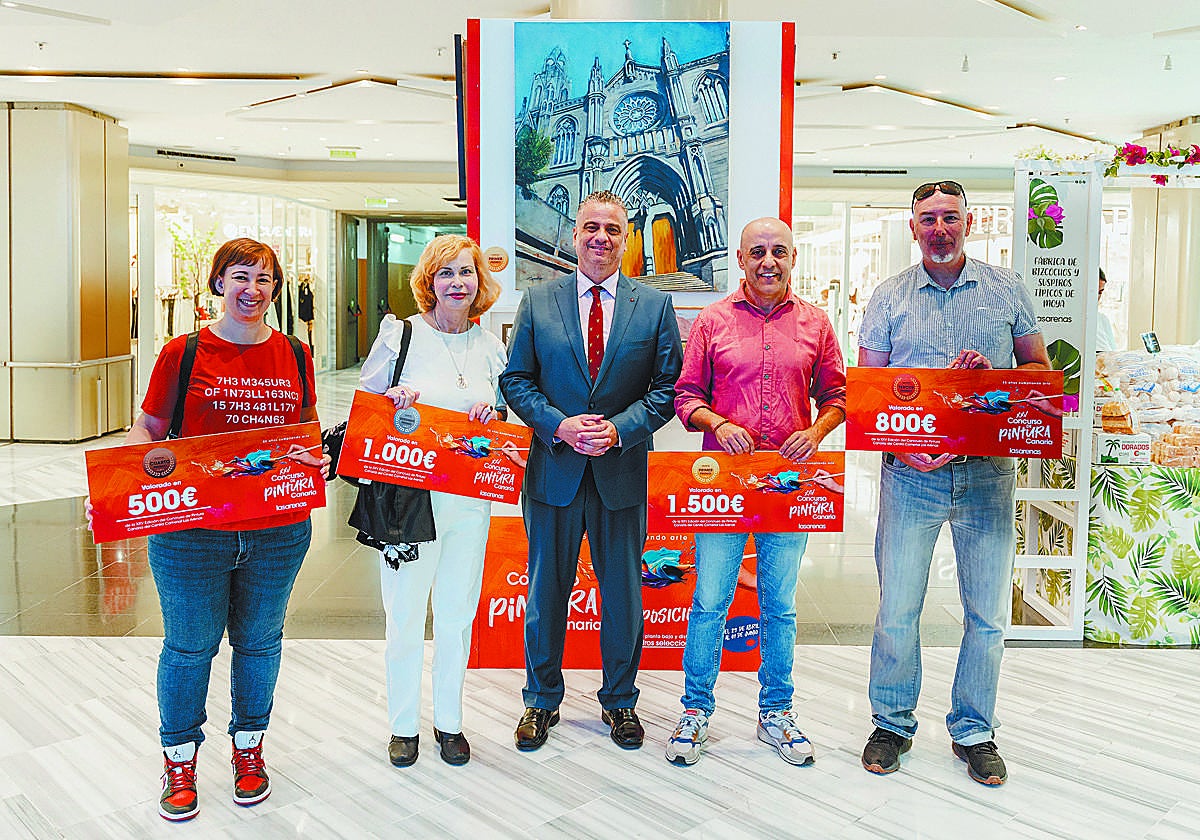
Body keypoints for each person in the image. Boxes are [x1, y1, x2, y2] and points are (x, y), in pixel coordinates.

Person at [125, 238, 328, 821]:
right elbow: (149, 430)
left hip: (278, 529)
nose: (253, 290)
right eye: (241, 277)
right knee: (190, 646)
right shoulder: (183, 351)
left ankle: (249, 749)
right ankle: (180, 759)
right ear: (218, 283)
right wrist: (122, 487)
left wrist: (314, 458)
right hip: (192, 532)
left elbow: (304, 431)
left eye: (265, 280)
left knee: (260, 642)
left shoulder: (294, 352)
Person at [857, 180, 1050, 786]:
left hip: (987, 476)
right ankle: (892, 723)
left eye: (950, 217)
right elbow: (868, 393)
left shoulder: (1006, 288)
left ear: (968, 221)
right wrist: (904, 446)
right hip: (909, 479)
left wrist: (994, 374)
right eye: (928, 219)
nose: (940, 229)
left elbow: (1040, 372)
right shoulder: (889, 298)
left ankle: (974, 731)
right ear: (912, 228)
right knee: (897, 609)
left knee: (987, 614)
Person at [500, 190, 683, 752]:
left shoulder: (652, 307)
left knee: (624, 594)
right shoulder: (538, 301)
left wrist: (621, 428)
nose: (601, 237)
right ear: (574, 236)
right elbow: (516, 381)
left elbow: (668, 389)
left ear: (625, 240)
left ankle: (621, 702)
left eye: (612, 229)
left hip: (621, 472)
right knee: (546, 594)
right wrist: (559, 425)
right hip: (553, 471)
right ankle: (540, 702)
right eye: (590, 228)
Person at [668, 218, 846, 767]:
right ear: (741, 259)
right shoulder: (713, 321)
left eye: (780, 252)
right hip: (721, 484)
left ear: (793, 258)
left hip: (789, 488)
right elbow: (685, 395)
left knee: (780, 605)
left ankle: (777, 712)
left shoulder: (816, 323)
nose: (769, 262)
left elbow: (838, 394)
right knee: (709, 601)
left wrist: (815, 432)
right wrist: (718, 424)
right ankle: (695, 710)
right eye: (758, 253)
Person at [358, 234, 507, 768]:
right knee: (403, 615)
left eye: (466, 273)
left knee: (457, 613)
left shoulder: (490, 346)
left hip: (469, 501)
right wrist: (391, 400)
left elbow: (507, 423)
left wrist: (495, 415)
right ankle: (403, 726)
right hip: (408, 502)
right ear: (429, 282)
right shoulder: (400, 335)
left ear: (479, 282)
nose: (458, 283)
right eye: (446, 274)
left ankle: (450, 722)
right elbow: (366, 408)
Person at [1095, 268, 1117, 352]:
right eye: (1093, 292)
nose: (1097, 297)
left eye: (1100, 292)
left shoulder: (1103, 319)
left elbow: (1113, 353)